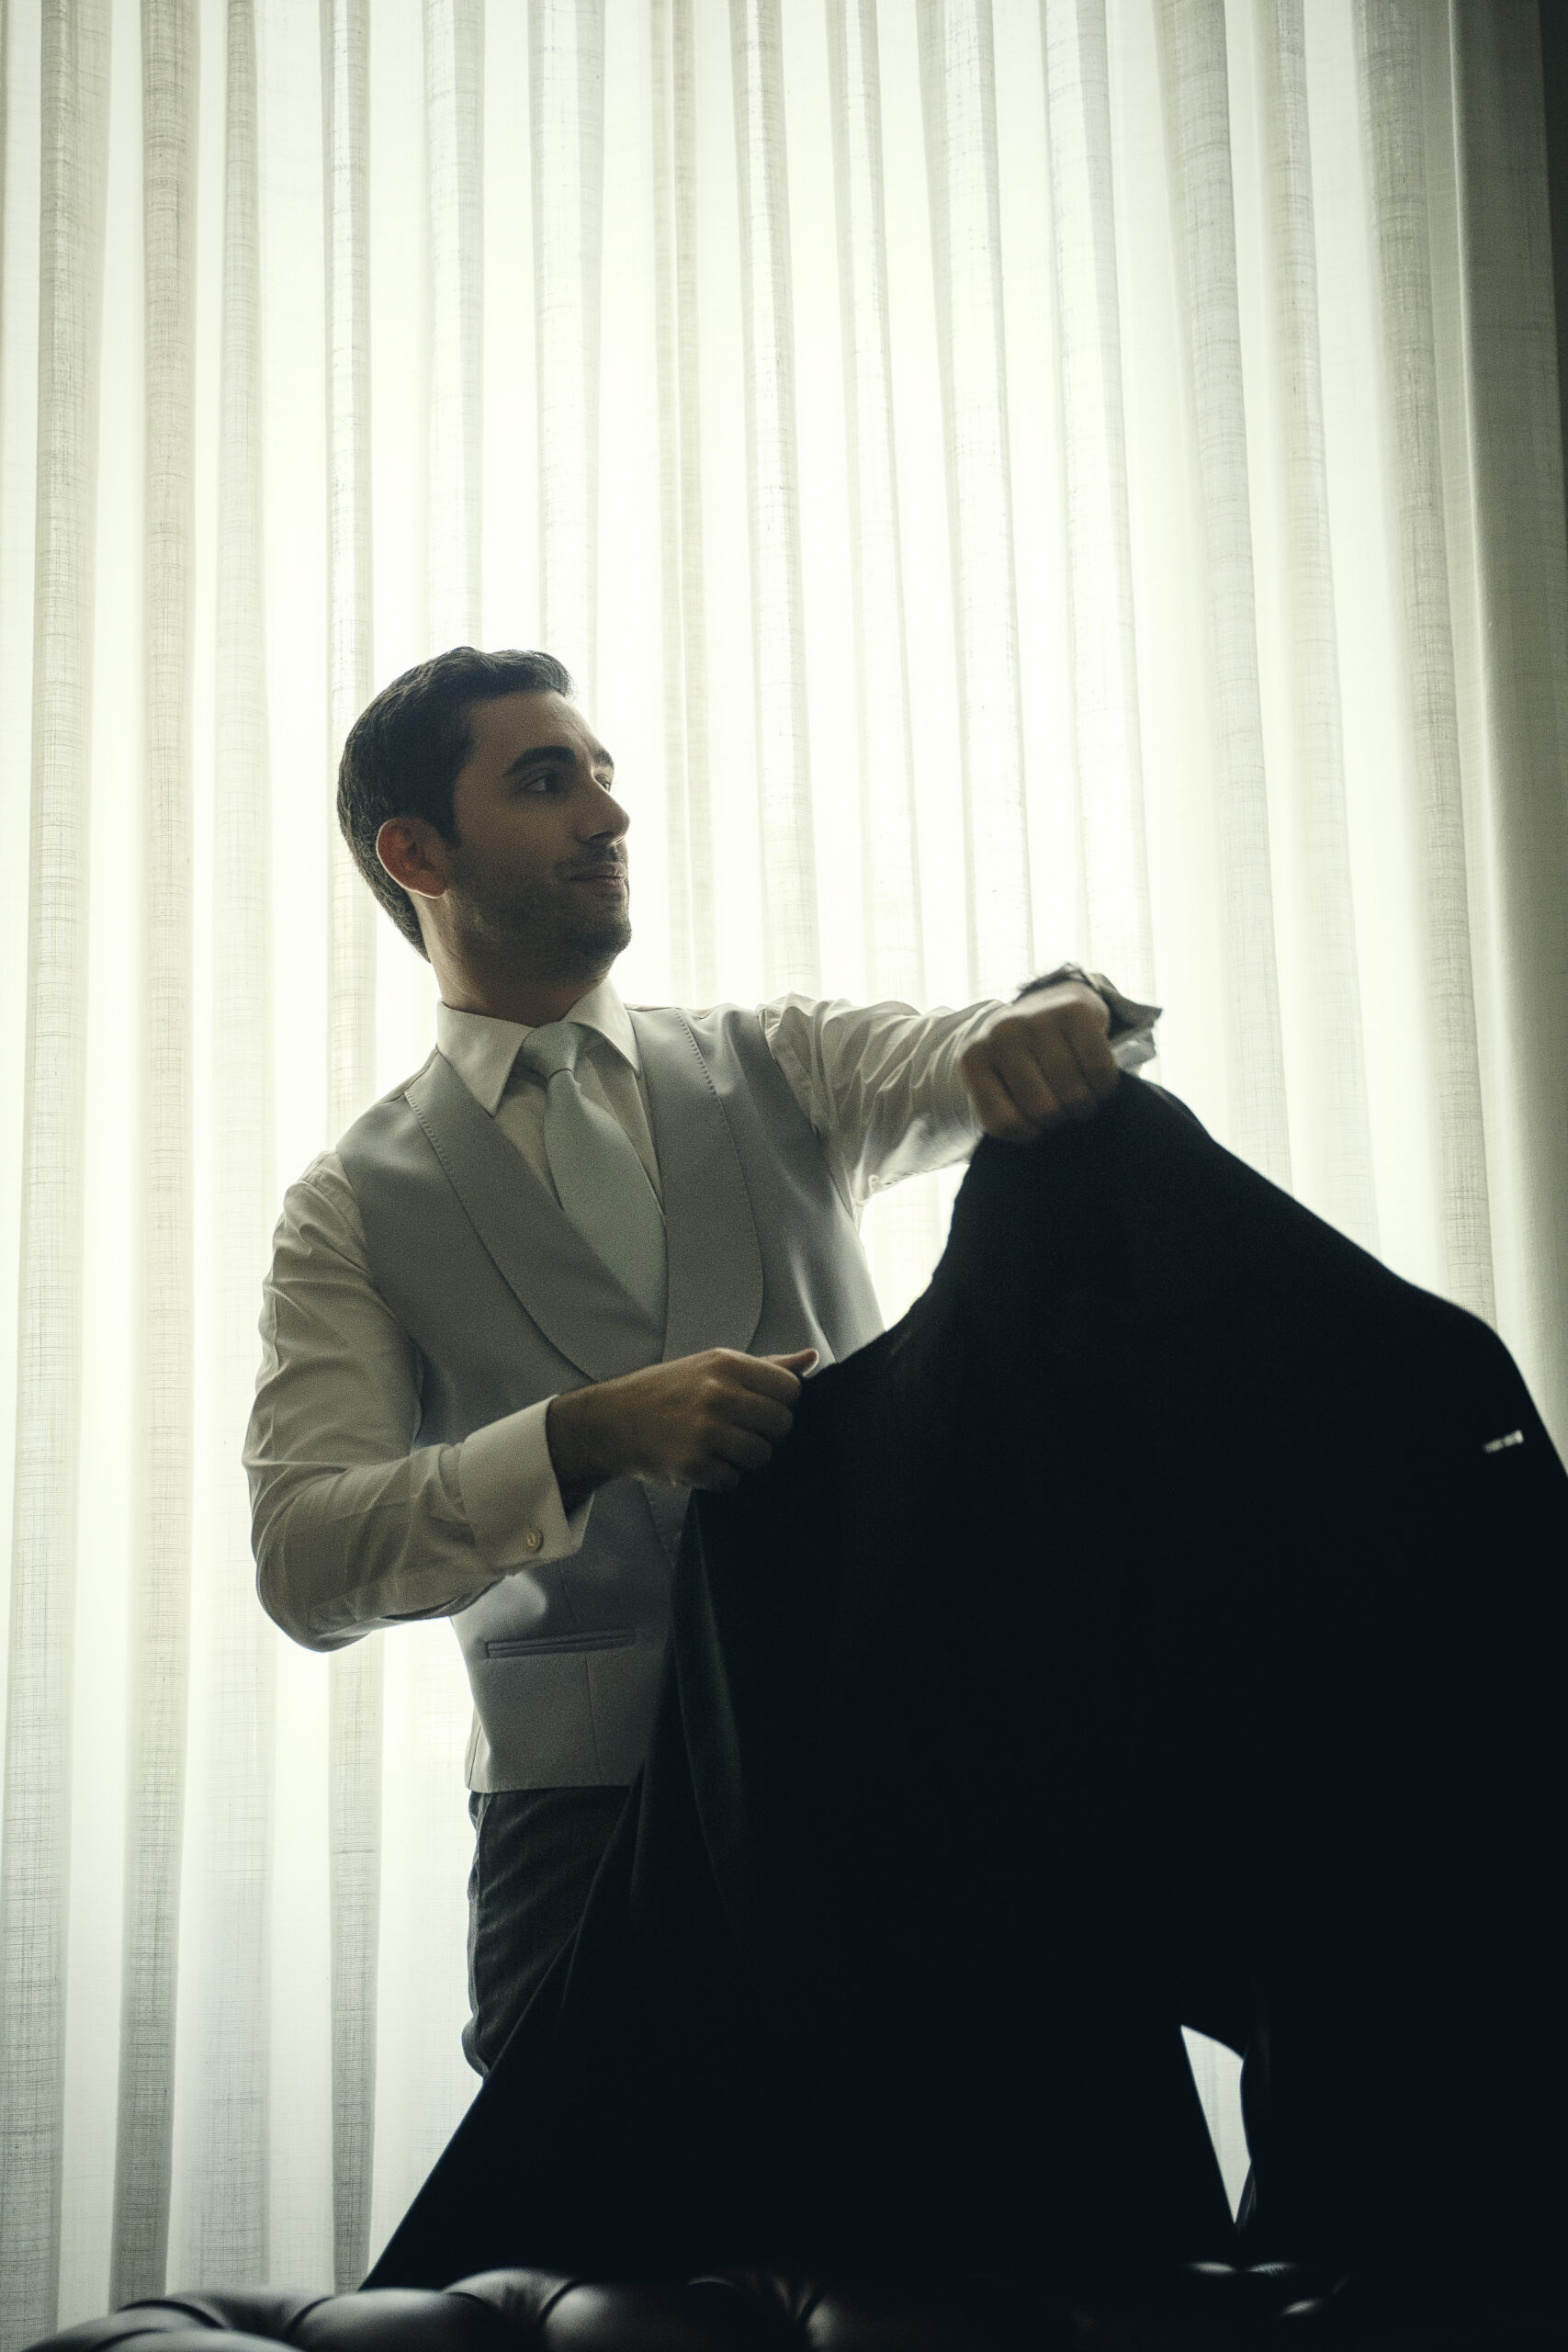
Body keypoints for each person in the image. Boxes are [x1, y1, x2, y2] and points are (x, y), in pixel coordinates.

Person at [244, 643, 1159, 2077]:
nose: (609, 816)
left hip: (905, 1772)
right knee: (604, 2220)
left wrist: (1064, 1009)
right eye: (546, 782)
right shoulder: (349, 1207)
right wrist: (579, 1437)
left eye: (604, 777)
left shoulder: (781, 1062)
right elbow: (305, 1558)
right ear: (415, 853)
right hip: (583, 1842)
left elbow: (974, 1051)